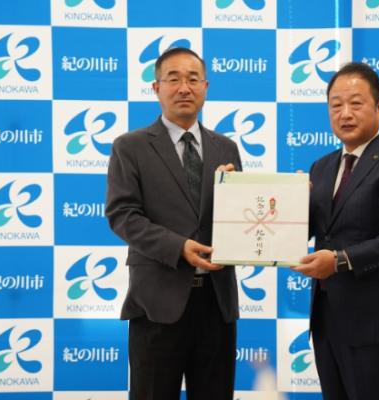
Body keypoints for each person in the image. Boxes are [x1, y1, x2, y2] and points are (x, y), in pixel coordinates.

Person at [105, 47, 242, 400]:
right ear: (156, 87)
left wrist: (280, 200)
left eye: (193, 79)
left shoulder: (226, 148)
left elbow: (241, 217)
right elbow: (122, 214)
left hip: (216, 303)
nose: (184, 88)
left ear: (205, 87)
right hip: (157, 302)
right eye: (174, 79)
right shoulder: (130, 147)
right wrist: (178, 247)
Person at [292, 62, 379, 400]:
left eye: (356, 103)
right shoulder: (321, 167)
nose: (345, 113)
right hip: (326, 320)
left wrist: (338, 261)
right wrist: (284, 202)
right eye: (336, 105)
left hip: (374, 325)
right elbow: (304, 229)